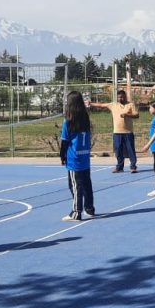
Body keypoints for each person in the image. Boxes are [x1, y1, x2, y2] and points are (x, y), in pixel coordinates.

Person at [60, 91, 95, 221]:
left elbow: (64, 142)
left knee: (75, 186)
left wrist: (62, 157)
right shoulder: (85, 119)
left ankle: (76, 212)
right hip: (85, 157)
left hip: (74, 159)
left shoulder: (68, 122)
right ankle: (90, 208)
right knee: (87, 184)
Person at [90, 88, 140, 173]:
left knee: (130, 150)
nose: (121, 99)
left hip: (128, 132)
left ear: (125, 97)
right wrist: (90, 103)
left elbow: (136, 115)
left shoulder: (131, 105)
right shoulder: (113, 105)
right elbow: (101, 105)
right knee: (118, 150)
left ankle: (133, 166)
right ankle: (119, 167)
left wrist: (127, 114)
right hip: (117, 133)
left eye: (122, 97)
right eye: (119, 97)